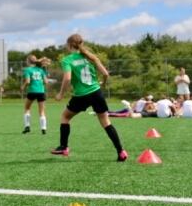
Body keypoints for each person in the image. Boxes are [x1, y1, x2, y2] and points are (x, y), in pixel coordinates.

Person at [51, 33, 127, 161]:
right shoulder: (91, 57)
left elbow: (67, 78)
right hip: (96, 92)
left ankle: (64, 147)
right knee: (106, 122)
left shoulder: (67, 60)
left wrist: (61, 94)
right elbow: (106, 74)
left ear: (69, 45)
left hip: (81, 95)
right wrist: (101, 83)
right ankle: (121, 151)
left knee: (65, 116)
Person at [21, 54, 49, 134]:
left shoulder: (28, 70)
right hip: (41, 92)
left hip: (32, 91)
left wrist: (23, 87)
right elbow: (46, 82)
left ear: (28, 61)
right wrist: (40, 84)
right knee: (42, 111)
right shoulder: (41, 70)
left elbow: (28, 81)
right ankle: (43, 128)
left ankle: (27, 126)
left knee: (27, 108)